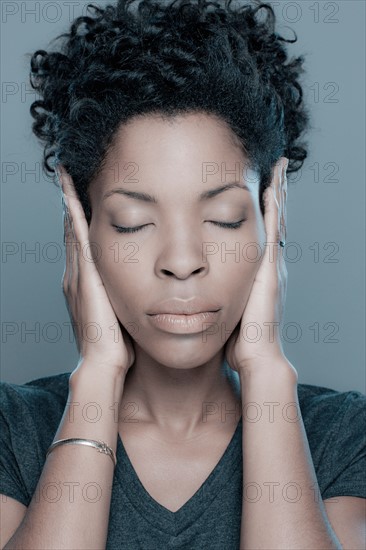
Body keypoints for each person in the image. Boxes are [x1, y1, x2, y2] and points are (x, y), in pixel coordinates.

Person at [1, 0, 365, 548]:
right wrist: (97, 374)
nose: (181, 260)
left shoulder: (340, 433)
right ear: (81, 232)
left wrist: (266, 368)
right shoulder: (13, 428)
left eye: (223, 218)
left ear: (271, 220)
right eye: (132, 222)